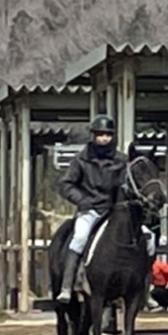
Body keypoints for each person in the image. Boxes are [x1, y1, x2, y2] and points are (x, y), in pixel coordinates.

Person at [55, 114, 127, 304]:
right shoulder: (81, 160)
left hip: (115, 212)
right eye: (100, 134)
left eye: (108, 135)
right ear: (93, 136)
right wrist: (82, 200)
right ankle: (67, 285)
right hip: (90, 210)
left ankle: (145, 285)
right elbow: (67, 184)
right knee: (79, 238)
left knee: (147, 239)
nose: (104, 138)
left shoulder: (122, 160)